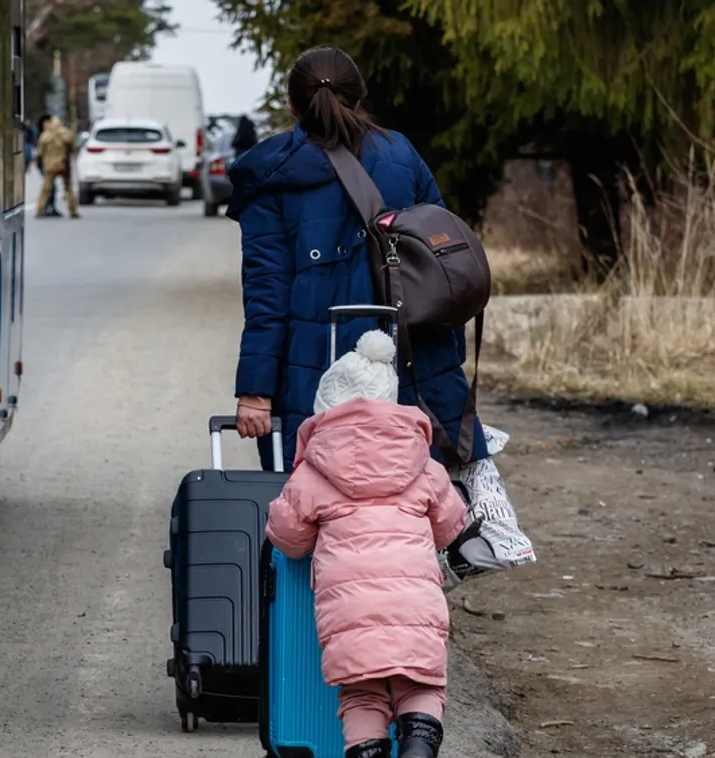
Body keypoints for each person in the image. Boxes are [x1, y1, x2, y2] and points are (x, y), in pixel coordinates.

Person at [226, 45, 488, 473]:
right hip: (410, 361)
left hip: (312, 375)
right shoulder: (401, 154)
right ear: (360, 99)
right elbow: (444, 268)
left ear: (293, 106)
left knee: (320, 498)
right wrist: (446, 362)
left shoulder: (271, 179)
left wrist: (254, 392)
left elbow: (267, 296)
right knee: (417, 498)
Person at [266, 330, 465, 758]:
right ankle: (419, 746)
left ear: (326, 411)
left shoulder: (313, 472)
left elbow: (288, 538)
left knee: (362, 696)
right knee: (422, 684)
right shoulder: (424, 465)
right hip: (415, 604)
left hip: (349, 612)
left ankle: (367, 751)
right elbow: (450, 525)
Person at [36, 114, 79, 219]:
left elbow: (40, 152)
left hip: (50, 165)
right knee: (68, 188)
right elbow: (73, 149)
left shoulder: (45, 135)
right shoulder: (67, 134)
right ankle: (73, 211)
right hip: (64, 164)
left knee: (46, 189)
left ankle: (40, 210)